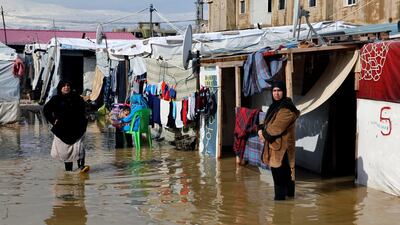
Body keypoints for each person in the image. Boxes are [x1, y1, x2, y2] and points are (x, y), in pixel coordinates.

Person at [258, 81, 300, 200]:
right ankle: (288, 203)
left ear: (284, 92)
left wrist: (263, 134)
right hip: (275, 146)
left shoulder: (287, 108)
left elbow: (277, 127)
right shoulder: (275, 106)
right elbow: (266, 122)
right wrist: (260, 129)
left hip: (282, 148)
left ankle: (280, 205)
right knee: (283, 175)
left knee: (280, 176)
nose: (276, 93)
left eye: (279, 91)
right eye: (274, 91)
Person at [43, 79, 89, 172]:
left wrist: (84, 123)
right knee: (65, 152)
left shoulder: (77, 98)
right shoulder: (56, 99)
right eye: (64, 86)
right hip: (62, 129)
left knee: (79, 148)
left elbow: (85, 111)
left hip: (77, 128)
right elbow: (46, 110)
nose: (66, 87)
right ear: (60, 87)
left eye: (68, 85)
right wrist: (53, 121)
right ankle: (69, 172)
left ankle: (81, 167)